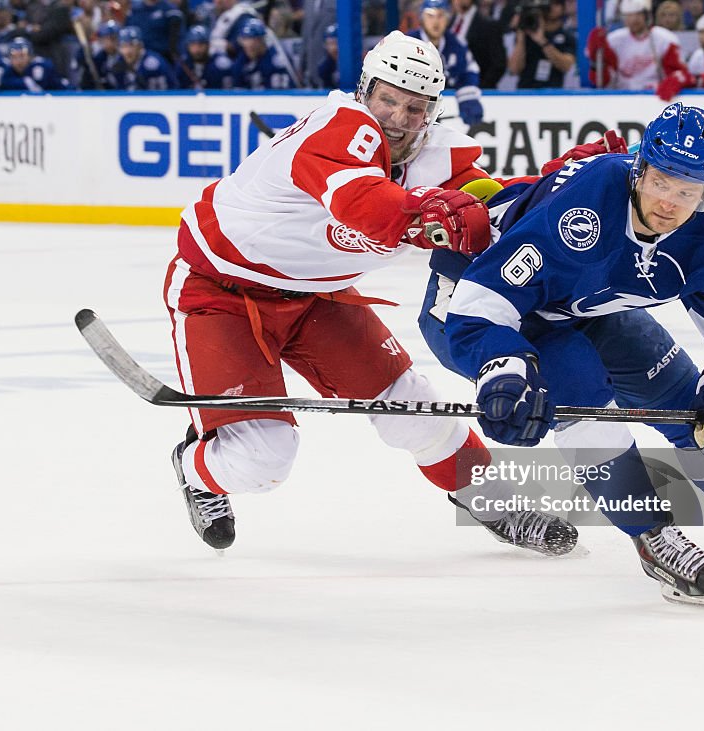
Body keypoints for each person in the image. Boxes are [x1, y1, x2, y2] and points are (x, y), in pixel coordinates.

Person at [163, 30, 578, 556]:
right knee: (264, 459)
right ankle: (197, 469)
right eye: (388, 99)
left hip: (318, 298)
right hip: (222, 293)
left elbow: (501, 209)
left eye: (415, 107)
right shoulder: (340, 127)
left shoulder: (438, 153)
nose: (399, 119)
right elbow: (364, 203)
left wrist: (570, 184)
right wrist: (422, 216)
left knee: (412, 406)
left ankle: (488, 498)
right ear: (365, 91)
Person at [441, 103, 704, 609]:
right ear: (639, 168)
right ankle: (653, 537)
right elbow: (479, 308)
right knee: (584, 398)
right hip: (475, 300)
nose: (669, 203)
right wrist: (502, 368)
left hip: (584, 305)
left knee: (694, 402)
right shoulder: (582, 209)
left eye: (687, 190)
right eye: (661, 182)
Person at [586, 0, 689, 90]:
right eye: (629, 15)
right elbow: (603, 81)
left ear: (647, 15)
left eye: (638, 15)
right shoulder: (614, 40)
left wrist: (672, 82)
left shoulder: (665, 39)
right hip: (621, 96)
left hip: (654, 96)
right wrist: (596, 60)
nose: (633, 19)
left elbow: (679, 72)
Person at [410, 0, 484, 125]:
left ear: (448, 18)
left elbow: (469, 70)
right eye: (430, 15)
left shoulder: (456, 44)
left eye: (441, 15)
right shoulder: (408, 42)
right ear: (421, 18)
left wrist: (467, 97)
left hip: (441, 112)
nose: (436, 22)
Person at [508, 0, 576, 89]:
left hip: (553, 93)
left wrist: (543, 41)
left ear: (563, 7)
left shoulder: (567, 36)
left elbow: (566, 66)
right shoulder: (527, 33)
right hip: (525, 92)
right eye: (549, 3)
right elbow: (514, 69)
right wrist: (520, 37)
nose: (551, 7)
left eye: (556, 4)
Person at [105, 24, 178, 90]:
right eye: (124, 46)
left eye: (132, 45)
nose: (128, 51)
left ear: (140, 46)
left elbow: (163, 93)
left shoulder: (153, 64)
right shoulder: (118, 64)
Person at [229, 17, 294, 90]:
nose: (248, 44)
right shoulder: (242, 60)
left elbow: (278, 96)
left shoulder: (276, 62)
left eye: (254, 41)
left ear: (262, 40)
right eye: (244, 39)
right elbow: (237, 91)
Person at [0, 36, 70, 90]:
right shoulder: (8, 68)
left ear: (31, 56)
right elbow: (2, 83)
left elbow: (38, 91)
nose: (18, 61)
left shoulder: (41, 66)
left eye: (22, 56)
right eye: (14, 57)